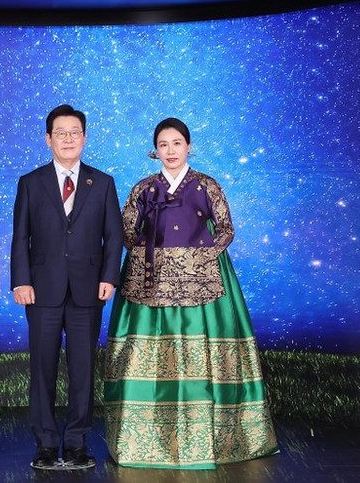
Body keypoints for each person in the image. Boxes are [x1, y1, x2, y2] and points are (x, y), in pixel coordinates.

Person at [104, 117, 278, 469]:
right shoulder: (143, 189)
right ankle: (145, 441)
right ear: (155, 151)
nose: (170, 151)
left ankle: (213, 440)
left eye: (177, 143)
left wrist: (194, 261)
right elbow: (124, 232)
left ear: (189, 147)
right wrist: (158, 260)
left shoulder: (207, 186)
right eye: (163, 145)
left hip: (201, 285)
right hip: (149, 285)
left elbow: (227, 229)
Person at [11, 104, 124, 470]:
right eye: (61, 132)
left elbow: (114, 236)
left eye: (75, 132)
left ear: (85, 138)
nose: (68, 138)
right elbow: (20, 237)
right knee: (41, 367)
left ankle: (76, 441)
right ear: (48, 139)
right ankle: (45, 442)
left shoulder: (102, 182)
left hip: (88, 290)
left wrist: (109, 278)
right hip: (41, 290)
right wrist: (21, 281)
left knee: (82, 369)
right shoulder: (30, 182)